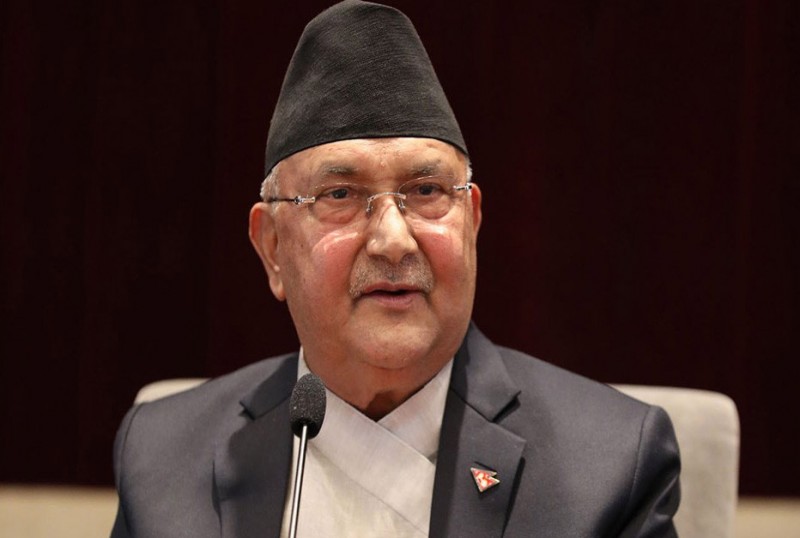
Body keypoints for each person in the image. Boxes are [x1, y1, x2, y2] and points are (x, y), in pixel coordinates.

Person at [110, 1, 680, 536]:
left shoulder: (609, 466)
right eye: (339, 195)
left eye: (427, 190)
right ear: (273, 247)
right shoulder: (163, 459)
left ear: (472, 222)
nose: (392, 240)